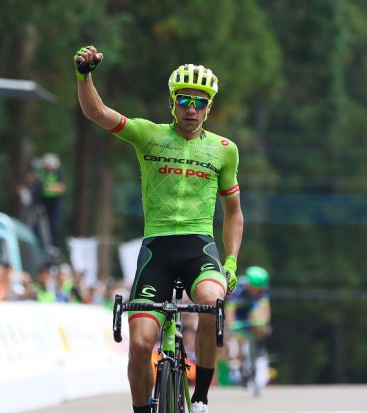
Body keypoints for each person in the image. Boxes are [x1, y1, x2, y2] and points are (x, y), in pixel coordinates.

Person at [75, 45, 244, 413]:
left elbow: (234, 213)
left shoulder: (225, 149)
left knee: (212, 304)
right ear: (172, 102)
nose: (191, 109)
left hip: (200, 247)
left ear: (209, 107)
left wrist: (230, 263)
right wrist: (84, 75)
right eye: (184, 100)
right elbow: (96, 112)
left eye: (200, 103)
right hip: (157, 252)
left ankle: (199, 399)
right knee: (139, 344)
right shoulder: (148, 135)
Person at [225, 266, 271, 388]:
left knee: (259, 323)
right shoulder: (238, 287)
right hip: (238, 314)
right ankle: (240, 366)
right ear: (250, 285)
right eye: (257, 289)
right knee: (239, 342)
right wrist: (231, 326)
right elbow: (230, 310)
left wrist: (264, 323)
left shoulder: (263, 290)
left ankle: (259, 349)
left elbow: (265, 307)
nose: (260, 291)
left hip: (251, 312)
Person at [35, 153, 67, 246]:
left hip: (55, 202)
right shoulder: (41, 172)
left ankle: (53, 245)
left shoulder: (59, 172)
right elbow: (36, 184)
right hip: (42, 200)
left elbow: (62, 188)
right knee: (38, 224)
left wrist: (47, 187)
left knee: (54, 225)